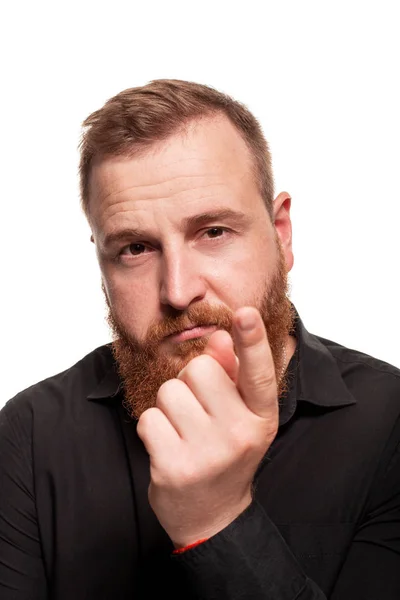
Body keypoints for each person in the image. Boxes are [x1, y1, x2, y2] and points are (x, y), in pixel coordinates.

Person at [0, 79, 399, 600]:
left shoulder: (390, 423)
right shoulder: (31, 435)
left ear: (281, 236)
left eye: (213, 232)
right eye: (136, 248)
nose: (178, 290)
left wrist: (217, 522)